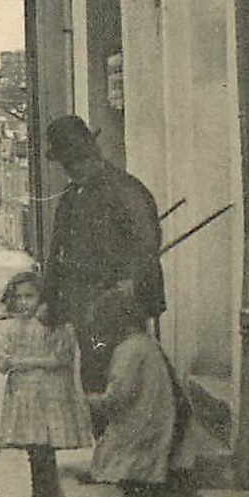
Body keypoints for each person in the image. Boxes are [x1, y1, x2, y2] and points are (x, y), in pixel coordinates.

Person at [41, 115, 165, 396]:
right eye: (68, 164)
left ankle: (126, 436)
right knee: (93, 372)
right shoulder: (71, 197)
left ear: (92, 153)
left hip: (117, 302)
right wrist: (48, 298)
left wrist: (132, 281)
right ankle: (104, 436)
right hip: (83, 301)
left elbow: (147, 244)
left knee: (122, 374)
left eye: (79, 161)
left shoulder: (125, 190)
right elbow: (57, 250)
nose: (73, 169)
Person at [86, 293, 191, 497]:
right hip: (154, 415)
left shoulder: (128, 351)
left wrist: (94, 402)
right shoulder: (146, 344)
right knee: (138, 478)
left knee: (132, 478)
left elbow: (120, 393)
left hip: (143, 423)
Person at [0, 271, 93, 497]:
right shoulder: (14, 327)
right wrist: (8, 360)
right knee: (34, 450)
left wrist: (23, 362)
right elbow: (1, 357)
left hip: (48, 397)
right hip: (24, 397)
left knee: (43, 449)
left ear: (43, 297)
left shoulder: (56, 327)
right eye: (19, 297)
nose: (24, 302)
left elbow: (62, 358)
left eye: (30, 296)